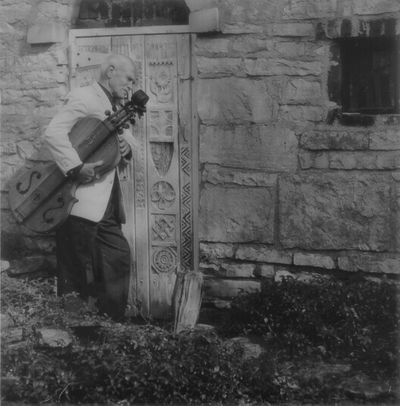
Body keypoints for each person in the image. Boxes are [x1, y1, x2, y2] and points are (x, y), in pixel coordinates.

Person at [45, 54, 138, 320]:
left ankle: (111, 328)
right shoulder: (83, 96)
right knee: (74, 270)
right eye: (128, 79)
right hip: (77, 200)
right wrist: (75, 166)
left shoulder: (118, 107)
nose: (130, 87)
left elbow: (132, 143)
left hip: (106, 204)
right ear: (111, 71)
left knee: (117, 259)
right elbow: (54, 132)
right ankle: (72, 335)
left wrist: (127, 147)